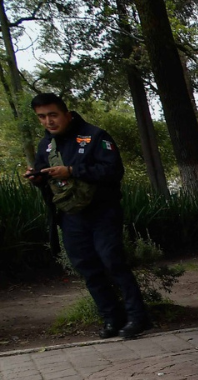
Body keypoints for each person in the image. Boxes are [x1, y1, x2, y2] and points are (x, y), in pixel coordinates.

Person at [25, 93, 149, 339]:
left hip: (102, 211)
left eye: (53, 115)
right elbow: (47, 178)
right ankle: (112, 319)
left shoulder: (94, 136)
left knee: (112, 261)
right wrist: (38, 178)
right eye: (42, 117)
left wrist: (71, 170)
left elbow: (113, 171)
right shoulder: (46, 146)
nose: (48, 121)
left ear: (66, 114)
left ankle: (138, 317)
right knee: (87, 268)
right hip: (71, 215)